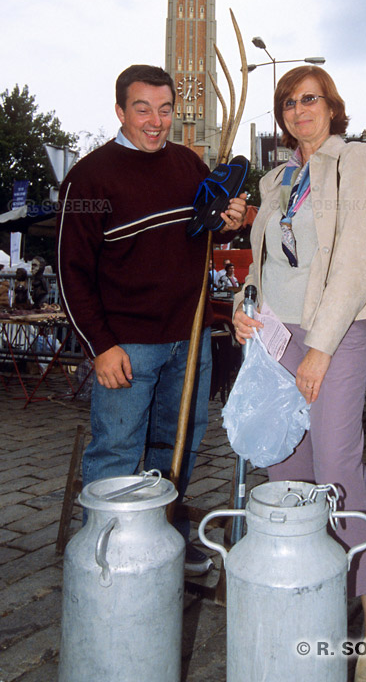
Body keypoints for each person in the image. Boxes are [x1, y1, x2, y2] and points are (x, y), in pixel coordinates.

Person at [233, 66, 366, 682]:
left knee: (336, 465)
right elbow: (261, 266)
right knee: (286, 468)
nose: (301, 110)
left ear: (332, 107)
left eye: (312, 99)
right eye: (290, 102)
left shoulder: (352, 161)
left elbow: (357, 255)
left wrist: (322, 347)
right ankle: (311, 597)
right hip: (277, 336)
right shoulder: (276, 179)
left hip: (336, 331)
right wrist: (242, 311)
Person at [57, 64, 246, 571]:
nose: (156, 121)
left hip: (190, 337)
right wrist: (100, 345)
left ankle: (163, 549)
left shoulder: (186, 164)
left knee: (175, 448)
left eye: (165, 110)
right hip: (128, 344)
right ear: (120, 111)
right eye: (143, 109)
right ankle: (107, 561)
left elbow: (205, 231)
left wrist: (228, 222)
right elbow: (72, 271)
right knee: (117, 454)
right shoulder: (89, 178)